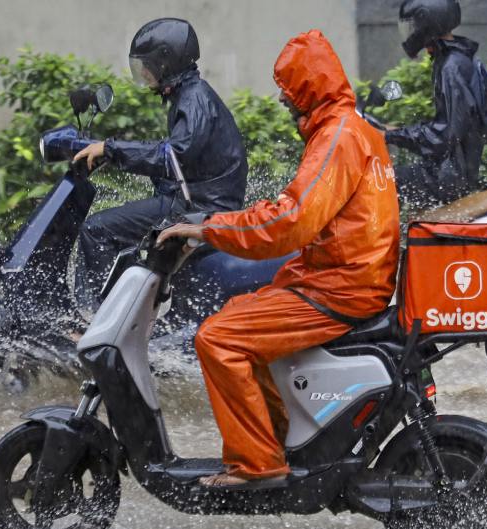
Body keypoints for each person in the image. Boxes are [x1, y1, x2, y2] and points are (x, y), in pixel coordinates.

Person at [157, 30, 400, 487]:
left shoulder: (337, 137)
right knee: (236, 313)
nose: (287, 105)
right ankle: (279, 437)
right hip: (347, 276)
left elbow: (291, 221)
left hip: (340, 286)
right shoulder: (357, 128)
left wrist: (210, 228)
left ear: (308, 91)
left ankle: (257, 464)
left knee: (218, 338)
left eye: (290, 95)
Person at [73, 18, 247, 302]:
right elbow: (180, 160)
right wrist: (115, 153)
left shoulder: (194, 100)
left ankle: (95, 322)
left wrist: (111, 149)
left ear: (166, 62)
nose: (143, 71)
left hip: (199, 206)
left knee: (97, 229)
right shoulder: (188, 95)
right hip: (196, 198)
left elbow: (173, 156)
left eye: (147, 64)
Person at [385, 0, 487, 211]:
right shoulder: (455, 59)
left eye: (414, 25)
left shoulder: (451, 67)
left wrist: (392, 135)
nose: (411, 33)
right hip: (453, 170)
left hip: (448, 177)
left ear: (428, 24)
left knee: (383, 182)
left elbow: (445, 135)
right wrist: (398, 131)